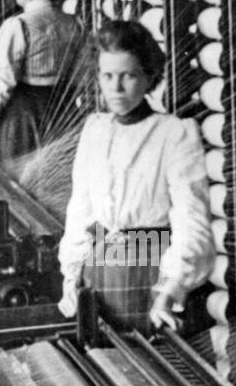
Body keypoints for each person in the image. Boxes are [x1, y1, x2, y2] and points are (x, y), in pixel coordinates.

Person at [57, 18, 215, 333]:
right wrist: (72, 276)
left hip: (154, 274)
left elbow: (192, 220)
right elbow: (80, 212)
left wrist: (170, 290)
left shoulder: (175, 133)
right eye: (107, 76)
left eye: (128, 76)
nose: (116, 88)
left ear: (149, 77)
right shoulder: (94, 129)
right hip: (100, 270)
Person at [0, 0, 92, 168]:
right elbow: (84, 74)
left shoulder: (18, 25)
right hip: (63, 114)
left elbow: (1, 84)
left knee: (19, 179)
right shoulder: (75, 23)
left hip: (24, 118)